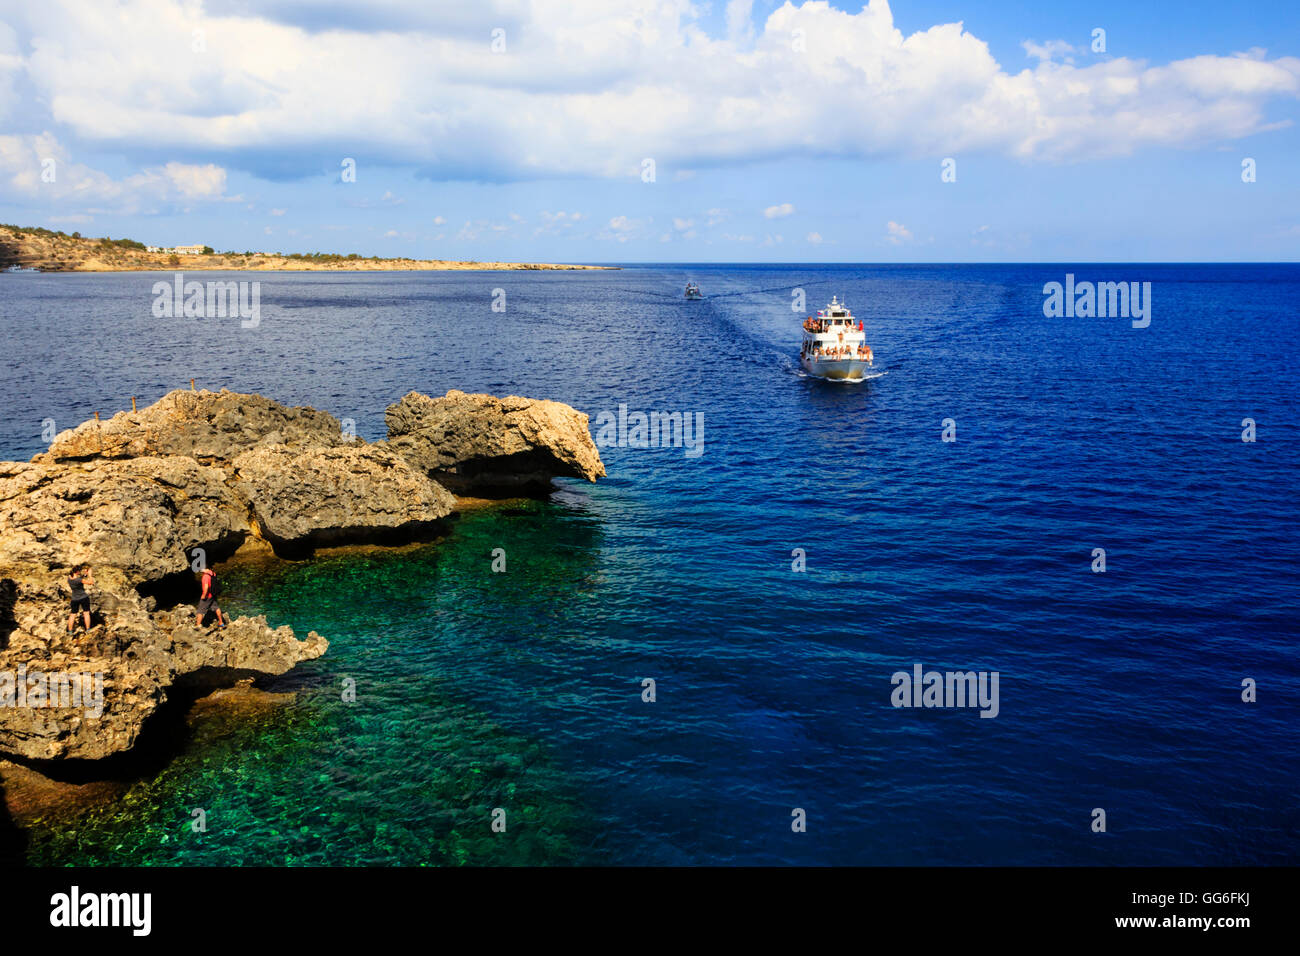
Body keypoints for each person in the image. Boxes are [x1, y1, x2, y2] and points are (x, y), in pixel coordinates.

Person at [66, 564, 94, 634]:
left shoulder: (69, 578)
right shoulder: (79, 580)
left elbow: (78, 579)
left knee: (73, 614)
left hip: (74, 598)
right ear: (77, 572)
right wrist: (90, 575)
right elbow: (91, 582)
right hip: (83, 598)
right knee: (86, 613)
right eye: (80, 571)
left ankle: (70, 631)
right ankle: (87, 629)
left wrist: (84, 575)